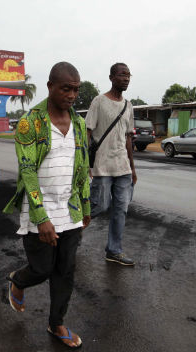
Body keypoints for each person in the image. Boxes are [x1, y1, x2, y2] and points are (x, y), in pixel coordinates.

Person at [3, 62, 90, 348]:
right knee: (41, 269)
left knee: (65, 272)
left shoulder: (78, 122)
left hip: (70, 210)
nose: (72, 95)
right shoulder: (31, 122)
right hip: (38, 210)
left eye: (76, 89)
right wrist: (41, 218)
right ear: (51, 86)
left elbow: (83, 167)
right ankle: (18, 279)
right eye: (66, 88)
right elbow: (27, 171)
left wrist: (86, 208)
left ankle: (57, 324)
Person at [85, 62, 137, 266]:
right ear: (111, 78)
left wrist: (133, 168)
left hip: (122, 167)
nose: (126, 78)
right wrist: (84, 164)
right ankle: (71, 233)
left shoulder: (129, 105)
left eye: (128, 75)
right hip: (102, 166)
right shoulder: (99, 101)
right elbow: (88, 132)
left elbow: (128, 139)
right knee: (99, 205)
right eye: (122, 75)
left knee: (120, 208)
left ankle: (114, 250)